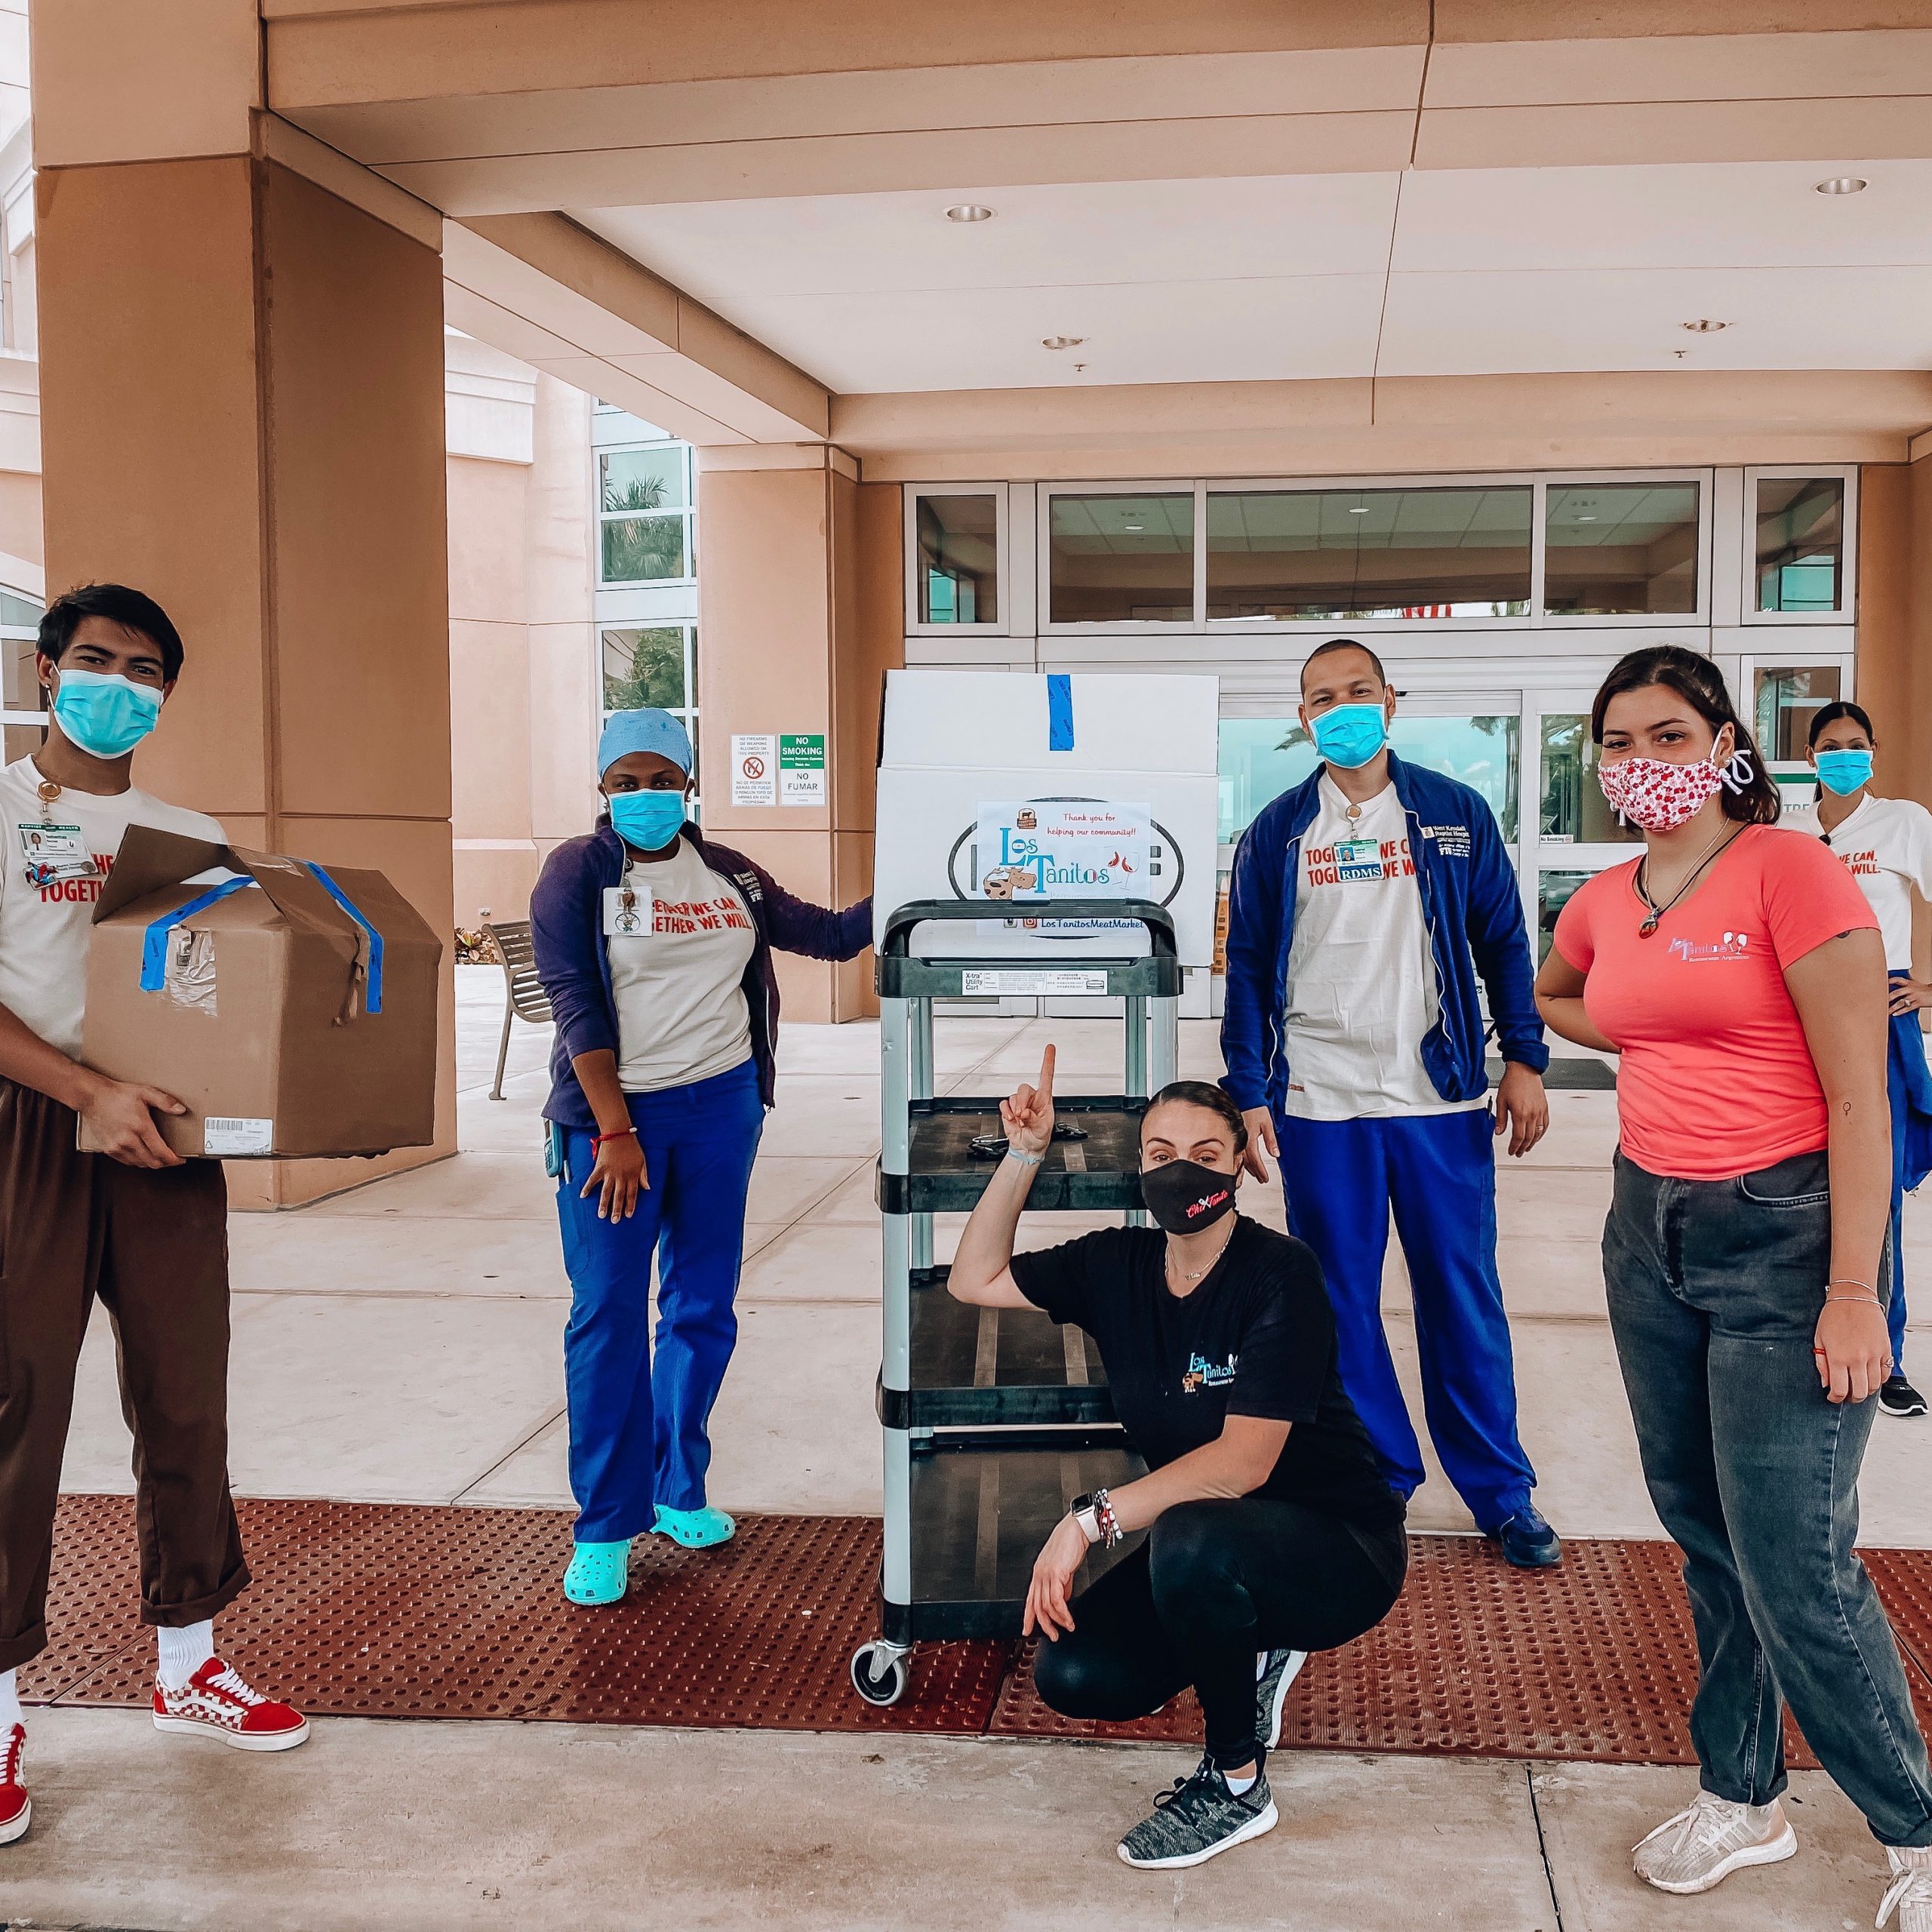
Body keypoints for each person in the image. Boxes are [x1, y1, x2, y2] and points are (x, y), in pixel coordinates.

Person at [1534, 645, 1932, 1917]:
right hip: (1648, 1235)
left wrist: (1856, 1286)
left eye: (1666, 736)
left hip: (1788, 1235)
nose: (1639, 763)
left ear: (1724, 744)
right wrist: (1649, 1024)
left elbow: (1861, 1099)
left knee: (1794, 1562)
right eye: (1619, 742)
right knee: (1708, 1538)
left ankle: (1918, 1832)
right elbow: (1561, 993)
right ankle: (1743, 1796)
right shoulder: (1606, 899)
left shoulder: (1792, 872)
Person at [0, 586, 310, 1850]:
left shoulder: (187, 832)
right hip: (30, 1124)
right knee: (18, 1404)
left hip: (166, 1139)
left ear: (166, 694)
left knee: (186, 1394)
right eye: (92, 661)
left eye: (141, 670)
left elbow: (214, 988)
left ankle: (191, 1662)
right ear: (44, 668)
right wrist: (85, 1088)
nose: (115, 684)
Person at [947, 1051, 1406, 1871]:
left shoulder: (1279, 1275)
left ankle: (1235, 1784)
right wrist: (1025, 1151)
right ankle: (1254, 1644)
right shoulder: (1114, 1264)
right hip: (1218, 1540)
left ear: (1240, 1165)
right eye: (1159, 1153)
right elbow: (973, 1278)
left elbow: (1241, 1465)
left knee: (1192, 1537)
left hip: (1340, 1547)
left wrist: (1088, 1521)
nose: (1178, 1170)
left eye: (1203, 1154)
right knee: (1078, 1674)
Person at [1220, 638, 1559, 1569]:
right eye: (1321, 697)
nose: (1342, 708)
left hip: (1438, 1101)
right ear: (1302, 719)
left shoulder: (1452, 815)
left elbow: (1503, 943)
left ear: (1391, 700)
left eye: (1357, 691)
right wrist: (1249, 1089)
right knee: (1338, 1304)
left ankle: (1500, 1490)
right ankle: (1381, 1474)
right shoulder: (1278, 831)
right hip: (1319, 1103)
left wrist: (1524, 1057)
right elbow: (1246, 967)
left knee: (1461, 1293)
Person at [531, 708, 871, 1606]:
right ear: (602, 788)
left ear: (689, 784)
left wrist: (917, 871)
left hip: (721, 1109)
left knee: (700, 1306)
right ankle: (606, 1521)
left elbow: (830, 935)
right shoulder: (578, 869)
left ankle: (678, 1486)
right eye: (625, 781)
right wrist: (613, 1129)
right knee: (606, 1314)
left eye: (661, 779)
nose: (644, 796)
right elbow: (574, 1000)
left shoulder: (728, 873)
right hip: (613, 1123)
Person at [1788, 700, 1932, 1420]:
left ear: (1872, 750)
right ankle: (1803, 1340)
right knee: (1797, 1182)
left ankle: (1889, 1354)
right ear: (1810, 755)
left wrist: (1927, 987)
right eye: (1830, 746)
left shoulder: (1904, 822)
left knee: (1872, 1193)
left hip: (1879, 1016)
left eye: (1855, 745)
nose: (1843, 755)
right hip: (1795, 1018)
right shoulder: (1784, 828)